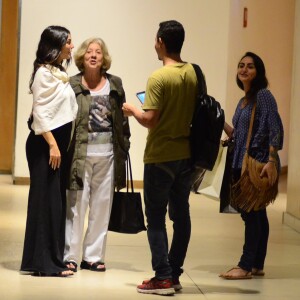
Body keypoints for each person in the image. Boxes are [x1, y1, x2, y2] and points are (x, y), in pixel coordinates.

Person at [122, 20, 197, 295]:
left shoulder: (158, 77)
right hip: (185, 156)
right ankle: (174, 273)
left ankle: (162, 277)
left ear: (161, 41)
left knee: (155, 218)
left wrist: (133, 110)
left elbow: (151, 119)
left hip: (160, 156)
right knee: (182, 216)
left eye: (156, 40)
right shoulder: (192, 73)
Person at [63, 37, 130, 273]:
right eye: (89, 52)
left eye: (98, 52)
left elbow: (121, 120)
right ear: (82, 57)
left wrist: (125, 143)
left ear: (104, 58)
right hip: (79, 154)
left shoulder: (115, 84)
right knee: (75, 206)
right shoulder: (71, 84)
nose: (93, 55)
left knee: (102, 206)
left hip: (108, 154)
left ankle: (92, 257)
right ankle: (69, 256)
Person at [20, 25, 78, 277]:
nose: (72, 46)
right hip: (45, 146)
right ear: (55, 45)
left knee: (54, 202)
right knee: (46, 203)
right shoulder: (44, 73)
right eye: (68, 41)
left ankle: (45, 259)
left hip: (55, 146)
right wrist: (53, 145)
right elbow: (40, 112)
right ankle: (46, 264)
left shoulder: (58, 72)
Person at [220, 52, 284, 279]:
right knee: (257, 215)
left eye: (250, 66)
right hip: (240, 161)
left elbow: (274, 126)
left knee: (251, 215)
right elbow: (240, 134)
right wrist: (221, 122)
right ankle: (256, 264)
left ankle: (245, 266)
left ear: (259, 71)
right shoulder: (243, 101)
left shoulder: (264, 96)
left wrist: (272, 160)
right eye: (241, 66)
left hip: (255, 164)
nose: (244, 70)